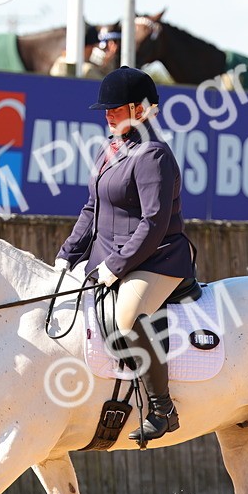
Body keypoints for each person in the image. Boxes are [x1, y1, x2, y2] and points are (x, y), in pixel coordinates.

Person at [55, 67, 196, 443]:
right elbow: (91, 209)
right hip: (107, 257)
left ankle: (163, 408)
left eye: (115, 108)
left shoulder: (153, 155)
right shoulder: (111, 149)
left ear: (140, 109)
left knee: (128, 315)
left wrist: (113, 268)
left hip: (156, 259)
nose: (107, 114)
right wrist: (67, 255)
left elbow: (153, 222)